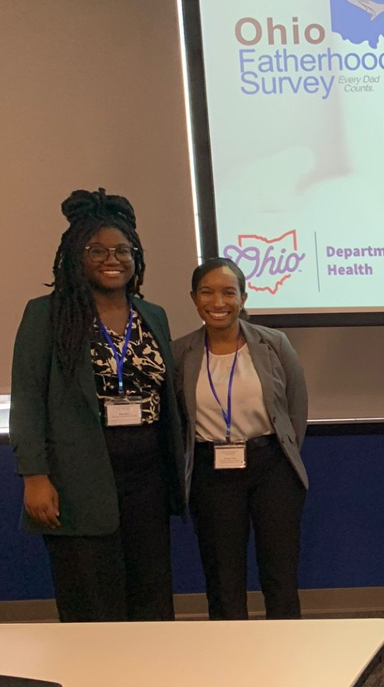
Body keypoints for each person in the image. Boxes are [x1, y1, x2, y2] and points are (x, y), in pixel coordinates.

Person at [9, 188, 187, 622]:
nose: (113, 259)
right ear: (75, 256)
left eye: (123, 250)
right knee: (91, 599)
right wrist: (34, 475)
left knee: (151, 595)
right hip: (79, 474)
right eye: (98, 250)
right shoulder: (46, 314)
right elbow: (28, 396)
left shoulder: (153, 315)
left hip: (147, 474)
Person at [172, 257, 309, 619]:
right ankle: (232, 662)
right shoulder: (179, 353)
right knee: (223, 580)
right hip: (211, 473)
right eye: (207, 292)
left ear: (243, 298)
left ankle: (288, 659)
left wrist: (277, 453)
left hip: (271, 468)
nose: (218, 302)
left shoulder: (274, 344)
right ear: (193, 298)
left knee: (279, 577)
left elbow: (295, 409)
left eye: (228, 292)